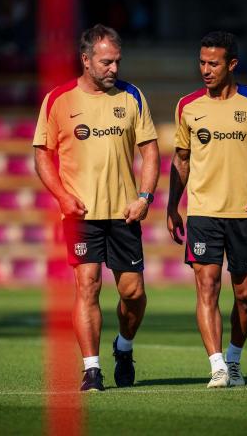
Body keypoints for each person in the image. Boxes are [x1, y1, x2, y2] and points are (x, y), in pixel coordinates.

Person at [33, 24, 160, 391]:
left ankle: (124, 346)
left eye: (117, 62)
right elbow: (42, 156)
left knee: (133, 294)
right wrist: (61, 196)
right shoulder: (58, 100)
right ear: (85, 60)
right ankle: (92, 369)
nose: (114, 69)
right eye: (106, 62)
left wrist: (145, 198)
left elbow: (150, 150)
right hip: (80, 215)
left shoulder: (132, 96)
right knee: (87, 286)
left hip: (124, 213)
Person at [166, 31, 247, 388]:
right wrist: (172, 205)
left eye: (213, 63)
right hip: (203, 213)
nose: (205, 69)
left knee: (245, 297)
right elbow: (181, 160)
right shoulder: (188, 105)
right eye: (201, 62)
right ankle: (216, 365)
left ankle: (233, 359)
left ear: (232, 64)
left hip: (244, 214)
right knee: (207, 286)